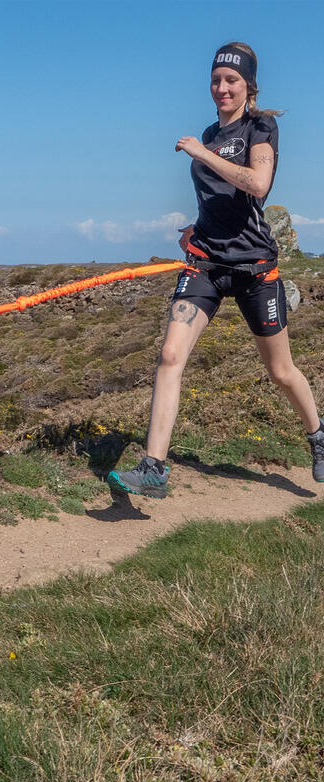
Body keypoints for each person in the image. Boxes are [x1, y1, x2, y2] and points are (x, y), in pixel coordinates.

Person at [108, 41, 324, 499]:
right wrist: (196, 227)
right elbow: (219, 200)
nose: (221, 88)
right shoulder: (209, 133)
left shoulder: (259, 128)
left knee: (281, 371)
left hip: (254, 268)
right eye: (216, 80)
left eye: (231, 81)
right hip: (205, 263)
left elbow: (258, 184)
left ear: (248, 86)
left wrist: (201, 154)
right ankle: (154, 469)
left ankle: (318, 435)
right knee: (169, 357)